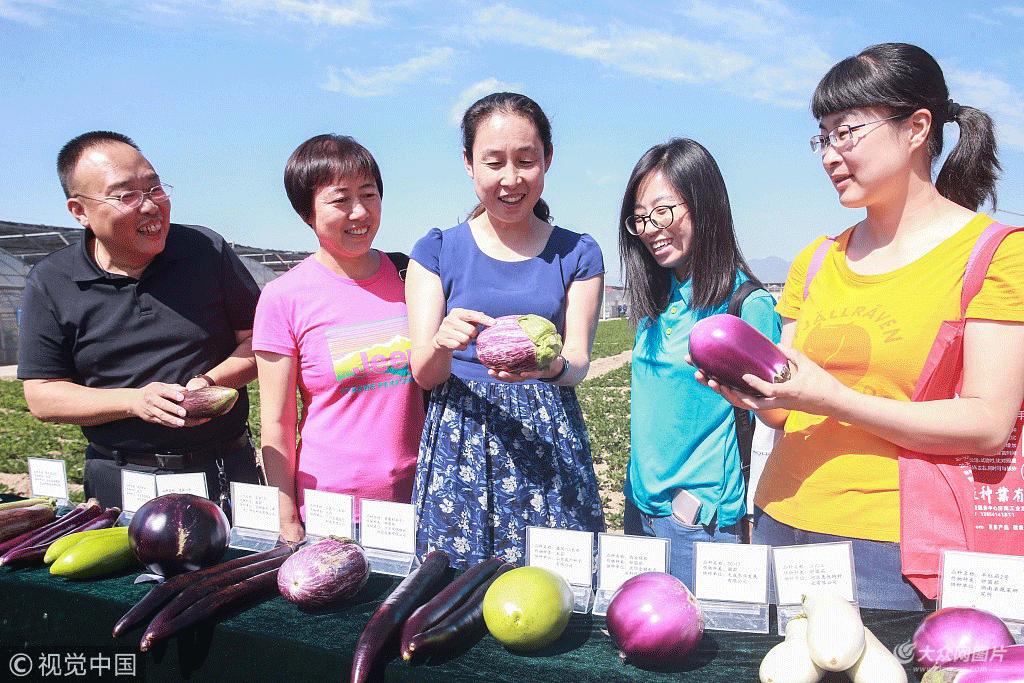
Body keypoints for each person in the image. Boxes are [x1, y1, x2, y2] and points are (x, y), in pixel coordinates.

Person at [699, 43, 1024, 610]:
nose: (829, 155)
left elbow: (986, 422)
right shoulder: (815, 260)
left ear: (917, 127)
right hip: (779, 517)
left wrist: (834, 398)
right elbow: (786, 411)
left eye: (846, 132)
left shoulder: (996, 255)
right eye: (822, 137)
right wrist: (752, 393)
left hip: (890, 546)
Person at [406, 92, 606, 568]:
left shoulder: (578, 253)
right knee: (454, 586)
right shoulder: (436, 251)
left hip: (546, 433)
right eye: (494, 162)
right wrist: (441, 343)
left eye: (526, 161)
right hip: (461, 435)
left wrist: (550, 367)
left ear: (548, 159)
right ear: (469, 163)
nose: (511, 179)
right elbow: (424, 374)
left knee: (555, 583)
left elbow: (578, 361)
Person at [18, 131, 264, 512]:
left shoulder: (205, 251)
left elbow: (259, 343)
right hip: (121, 479)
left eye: (155, 189)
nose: (150, 206)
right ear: (80, 211)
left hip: (223, 467)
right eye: (126, 196)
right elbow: (42, 395)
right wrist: (135, 402)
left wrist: (210, 382)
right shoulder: (52, 281)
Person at [618, 138, 781, 590]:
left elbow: (775, 416)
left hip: (697, 520)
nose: (650, 229)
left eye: (663, 211)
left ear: (704, 206)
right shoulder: (657, 300)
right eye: (640, 218)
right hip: (639, 508)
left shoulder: (744, 305)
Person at [253, 135, 423, 542]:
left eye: (369, 194)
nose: (359, 212)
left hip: (420, 496)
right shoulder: (283, 298)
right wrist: (286, 517)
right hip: (332, 509)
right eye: (340, 200)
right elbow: (276, 424)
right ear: (306, 213)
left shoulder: (412, 277)